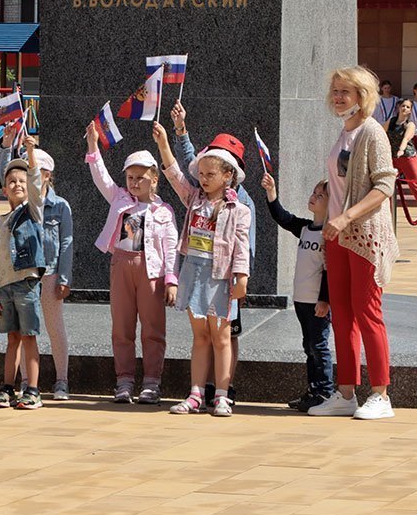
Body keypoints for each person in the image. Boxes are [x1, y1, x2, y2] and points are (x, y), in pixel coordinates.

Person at [308, 66, 398, 420]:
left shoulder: (372, 132)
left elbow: (384, 185)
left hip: (363, 236)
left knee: (367, 312)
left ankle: (380, 393)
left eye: (346, 91)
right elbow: (345, 181)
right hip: (337, 235)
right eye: (336, 91)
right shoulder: (344, 131)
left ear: (363, 96)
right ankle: (346, 392)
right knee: (342, 317)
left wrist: (346, 216)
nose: (339, 97)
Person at [152, 123, 251, 417]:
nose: (204, 179)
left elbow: (241, 247)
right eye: (202, 174)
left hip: (220, 276)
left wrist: (242, 278)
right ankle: (195, 394)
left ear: (228, 176)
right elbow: (173, 175)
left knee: (221, 337)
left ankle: (221, 394)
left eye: (211, 175)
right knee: (200, 337)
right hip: (193, 272)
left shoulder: (239, 210)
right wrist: (164, 143)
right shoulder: (194, 199)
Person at [85, 130, 178, 405]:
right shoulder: (120, 200)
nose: (135, 183)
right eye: (130, 178)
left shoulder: (164, 211)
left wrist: (171, 279)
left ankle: (152, 382)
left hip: (151, 272)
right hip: (121, 265)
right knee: (122, 327)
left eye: (141, 177)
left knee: (152, 328)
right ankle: (124, 381)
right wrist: (93, 146)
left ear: (155, 178)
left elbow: (171, 247)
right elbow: (101, 177)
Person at [260, 173, 333, 412]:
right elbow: (283, 218)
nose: (313, 197)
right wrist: (272, 194)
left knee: (318, 346)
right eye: (314, 193)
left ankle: (325, 391)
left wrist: (324, 300)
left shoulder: (329, 235)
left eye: (320, 196)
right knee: (308, 346)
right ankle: (313, 390)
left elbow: (329, 271)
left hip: (316, 302)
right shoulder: (305, 228)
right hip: (301, 300)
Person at [0, 137, 46, 410]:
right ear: (4, 189)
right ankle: (8, 387)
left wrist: (30, 153)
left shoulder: (32, 211)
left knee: (29, 335)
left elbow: (34, 184)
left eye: (20, 180)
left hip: (26, 282)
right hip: (5, 285)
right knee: (12, 338)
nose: (17, 185)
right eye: (11, 182)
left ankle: (32, 389)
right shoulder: (0, 222)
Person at [18, 148, 74, 401]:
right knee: (25, 330)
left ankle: (61, 380)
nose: (31, 177)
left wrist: (64, 278)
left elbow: (67, 243)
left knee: (55, 328)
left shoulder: (61, 206)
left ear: (48, 174)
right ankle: (26, 381)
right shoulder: (22, 204)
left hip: (50, 273)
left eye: (36, 171)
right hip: (26, 274)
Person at [384, 99, 417, 223]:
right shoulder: (391, 121)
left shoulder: (410, 124)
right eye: (403, 106)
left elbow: (406, 138)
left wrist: (401, 150)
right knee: (386, 185)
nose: (405, 108)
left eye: (408, 107)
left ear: (410, 110)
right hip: (392, 158)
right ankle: (386, 217)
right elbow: (381, 133)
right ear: (399, 107)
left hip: (408, 157)